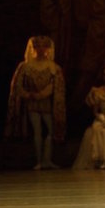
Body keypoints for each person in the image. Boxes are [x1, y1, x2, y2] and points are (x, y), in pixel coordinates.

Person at [5, 36, 66, 170]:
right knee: (37, 130)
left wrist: (42, 94)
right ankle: (39, 160)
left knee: (50, 130)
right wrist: (29, 95)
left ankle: (47, 159)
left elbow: (55, 86)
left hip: (46, 103)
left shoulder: (53, 67)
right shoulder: (25, 66)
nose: (40, 49)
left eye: (43, 47)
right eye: (38, 47)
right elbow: (17, 86)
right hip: (32, 102)